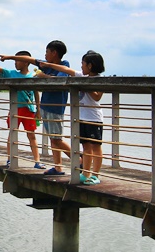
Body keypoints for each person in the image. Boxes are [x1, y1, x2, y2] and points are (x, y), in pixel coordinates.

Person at [6, 49, 106, 185]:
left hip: (94, 118)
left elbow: (96, 96)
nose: (81, 66)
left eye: (83, 63)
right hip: (81, 117)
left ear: (90, 65)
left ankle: (95, 175)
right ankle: (86, 173)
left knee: (96, 147)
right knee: (86, 147)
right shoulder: (80, 74)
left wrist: (83, 83)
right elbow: (64, 69)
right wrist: (49, 66)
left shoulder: (99, 79)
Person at [0, 40, 72, 176]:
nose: (45, 55)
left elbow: (59, 82)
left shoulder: (63, 65)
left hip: (56, 107)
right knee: (53, 139)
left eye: (47, 52)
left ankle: (78, 159)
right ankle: (58, 168)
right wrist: (9, 57)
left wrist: (43, 76)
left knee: (57, 139)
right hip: (46, 105)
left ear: (54, 53)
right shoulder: (45, 65)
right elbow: (29, 59)